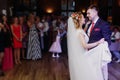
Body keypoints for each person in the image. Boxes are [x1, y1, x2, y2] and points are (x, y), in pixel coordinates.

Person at [67, 12, 111, 80]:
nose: (85, 18)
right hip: (84, 56)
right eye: (83, 17)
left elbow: (82, 34)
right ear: (80, 20)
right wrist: (98, 42)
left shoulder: (80, 30)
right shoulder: (79, 32)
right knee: (91, 73)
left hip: (83, 54)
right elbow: (85, 45)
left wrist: (86, 26)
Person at [86, 4, 112, 80]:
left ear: (95, 12)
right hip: (90, 53)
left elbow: (108, 40)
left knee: (102, 73)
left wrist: (101, 48)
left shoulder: (103, 24)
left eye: (89, 13)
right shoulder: (90, 24)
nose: (87, 15)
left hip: (99, 55)